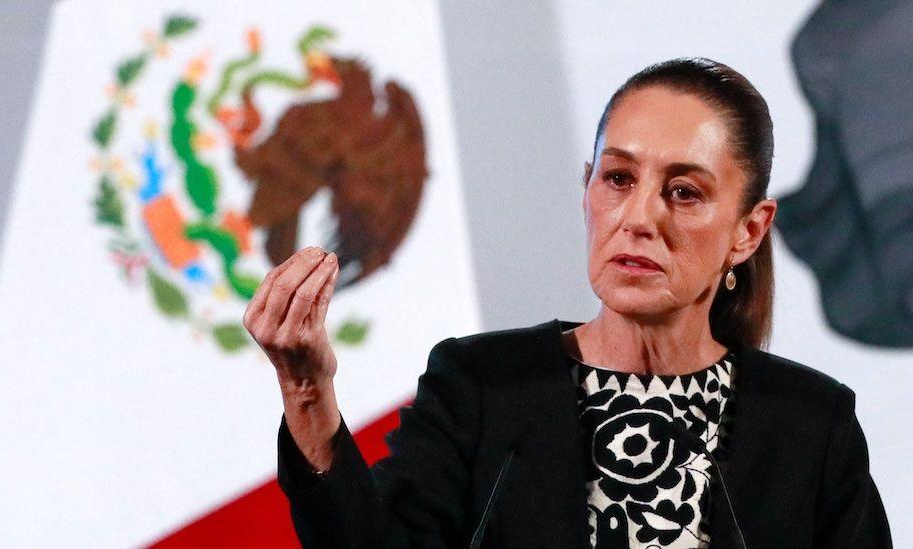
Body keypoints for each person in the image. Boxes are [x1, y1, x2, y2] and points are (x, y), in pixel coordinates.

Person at [242, 58, 892, 548]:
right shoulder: (481, 387)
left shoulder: (813, 425)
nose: (638, 218)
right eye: (618, 179)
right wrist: (306, 387)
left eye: (684, 192)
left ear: (748, 230)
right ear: (587, 190)